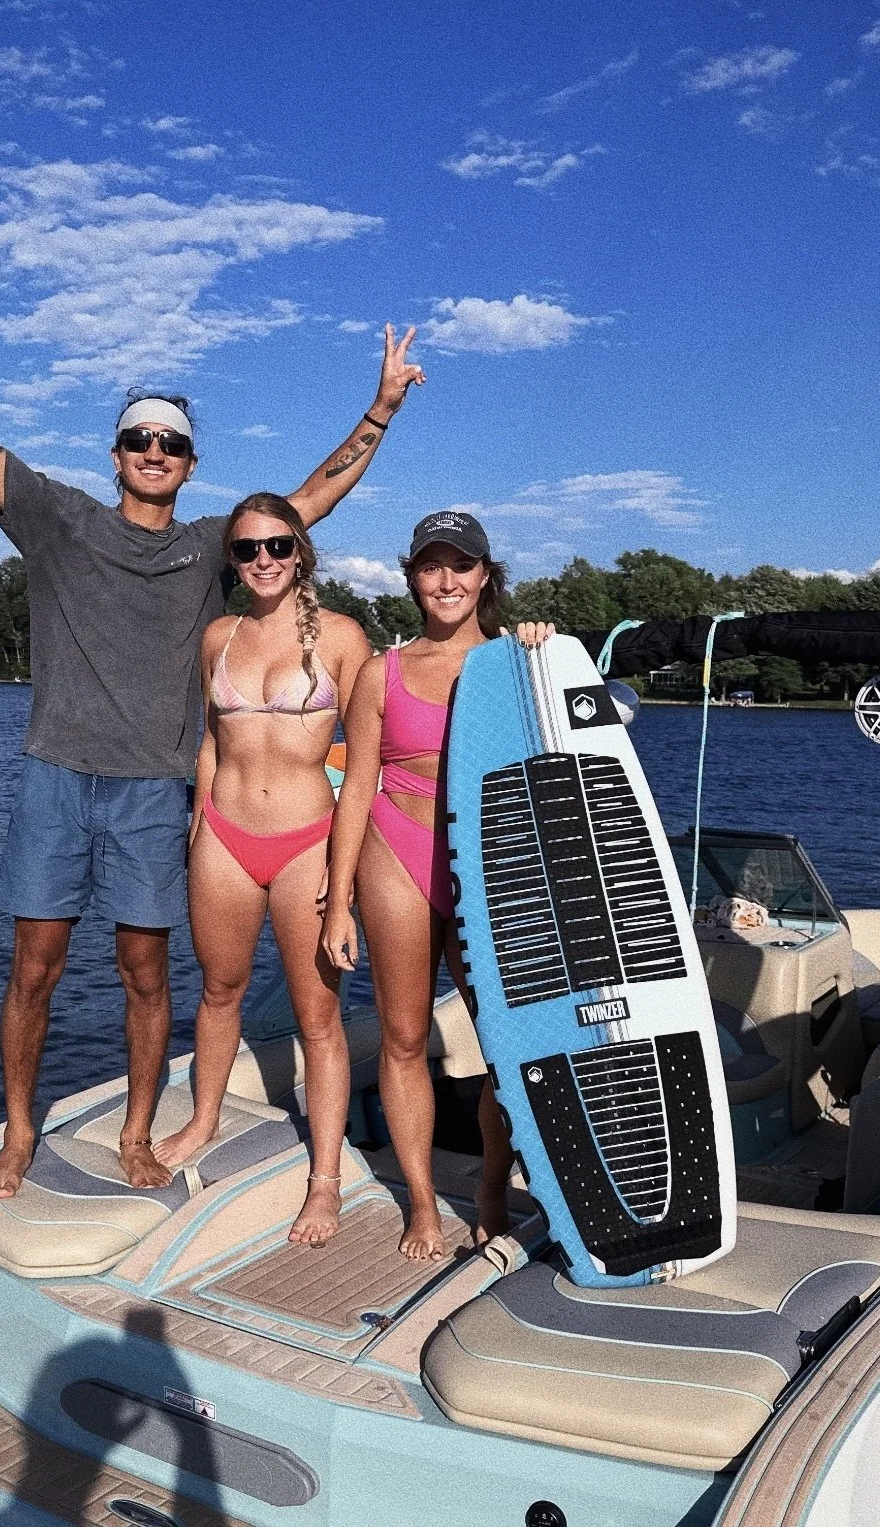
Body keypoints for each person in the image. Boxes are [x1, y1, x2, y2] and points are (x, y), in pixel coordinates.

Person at [0, 214, 425, 1198]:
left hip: (153, 793)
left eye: (171, 444)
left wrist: (383, 407)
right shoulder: (57, 520)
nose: (154, 452)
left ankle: (141, 1133)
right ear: (116, 455)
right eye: (139, 439)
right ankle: (18, 1135)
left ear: (188, 467)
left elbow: (313, 498)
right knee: (34, 974)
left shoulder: (220, 550)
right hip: (57, 774)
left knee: (149, 977)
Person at [321, 509, 552, 1258]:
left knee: (506, 1044)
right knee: (403, 1036)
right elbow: (355, 787)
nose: (445, 580)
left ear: (486, 576)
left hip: (489, 858)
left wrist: (546, 651)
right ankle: (421, 1200)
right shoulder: (378, 672)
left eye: (462, 565)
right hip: (398, 847)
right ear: (412, 575)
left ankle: (490, 1185)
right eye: (430, 565)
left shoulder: (520, 662)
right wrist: (336, 899)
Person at [152, 495, 371, 1245]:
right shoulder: (219, 634)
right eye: (247, 550)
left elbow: (366, 767)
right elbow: (211, 743)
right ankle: (203, 1120)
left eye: (277, 546)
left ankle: (325, 1179)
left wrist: (342, 884)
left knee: (318, 1018)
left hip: (307, 838)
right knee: (218, 991)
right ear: (234, 561)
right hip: (222, 835)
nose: (264, 561)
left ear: (301, 550)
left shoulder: (343, 638)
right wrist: (196, 829)